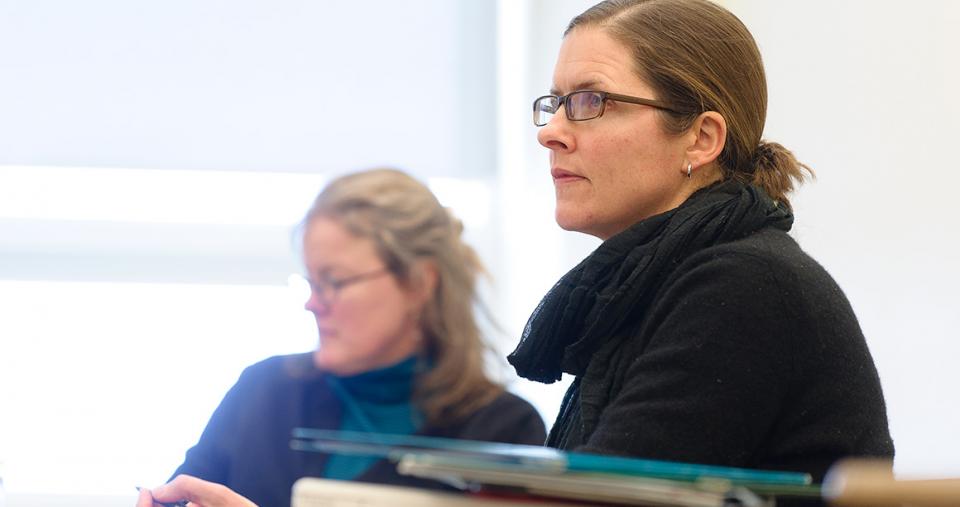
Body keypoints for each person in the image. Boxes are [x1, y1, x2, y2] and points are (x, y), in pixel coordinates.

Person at [506, 0, 893, 504]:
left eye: (591, 101)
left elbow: (606, 497)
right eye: (555, 103)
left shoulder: (743, 283)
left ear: (701, 139)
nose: (550, 132)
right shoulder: (649, 282)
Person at [138, 168, 546, 507]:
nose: (313, 304)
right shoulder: (263, 393)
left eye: (334, 282)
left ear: (418, 284)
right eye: (311, 281)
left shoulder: (504, 432)